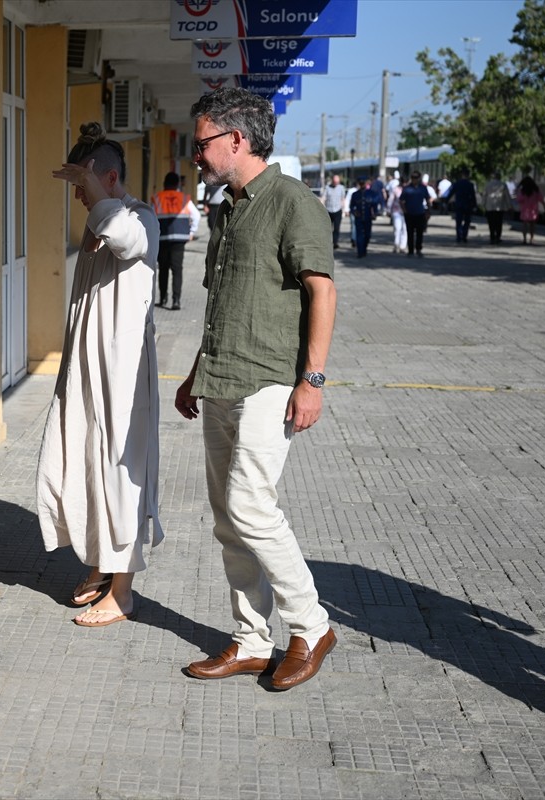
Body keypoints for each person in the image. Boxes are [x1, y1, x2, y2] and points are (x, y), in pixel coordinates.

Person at [176, 88, 338, 691]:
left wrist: (312, 380)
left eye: (201, 143)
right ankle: (251, 639)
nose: (195, 154)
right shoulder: (226, 209)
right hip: (221, 377)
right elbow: (224, 302)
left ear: (237, 140)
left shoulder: (293, 202)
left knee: (250, 505)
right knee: (228, 518)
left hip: (270, 380)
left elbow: (322, 291)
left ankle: (311, 626)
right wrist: (196, 371)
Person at [37, 121, 163, 628]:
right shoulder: (100, 223)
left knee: (119, 474)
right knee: (85, 465)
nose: (78, 198)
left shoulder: (140, 218)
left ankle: (123, 591)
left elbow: (129, 242)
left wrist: (95, 191)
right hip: (86, 373)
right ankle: (99, 563)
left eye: (83, 187)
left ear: (108, 178)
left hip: (122, 379)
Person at [150, 171, 200, 309]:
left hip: (162, 238)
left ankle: (163, 298)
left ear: (164, 184)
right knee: (177, 269)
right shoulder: (184, 198)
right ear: (178, 184)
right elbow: (196, 215)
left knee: (163, 269)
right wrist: (192, 232)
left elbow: (151, 218)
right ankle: (176, 300)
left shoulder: (157, 198)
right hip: (179, 239)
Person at [400, 171, 431, 257]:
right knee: (410, 232)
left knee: (419, 232)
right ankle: (410, 250)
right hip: (409, 213)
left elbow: (427, 199)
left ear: (419, 178)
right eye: (413, 177)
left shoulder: (423, 188)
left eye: (416, 177)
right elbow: (401, 200)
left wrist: (428, 211)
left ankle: (418, 249)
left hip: (420, 213)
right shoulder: (407, 188)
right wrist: (404, 210)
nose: (414, 179)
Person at [348, 175, 379, 258]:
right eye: (360, 183)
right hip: (359, 218)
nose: (362, 185)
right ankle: (360, 252)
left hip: (368, 217)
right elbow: (352, 206)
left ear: (366, 183)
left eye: (363, 183)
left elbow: (374, 205)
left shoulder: (371, 193)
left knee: (367, 235)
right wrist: (354, 212)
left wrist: (375, 213)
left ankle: (364, 248)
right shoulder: (355, 194)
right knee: (359, 235)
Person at [482, 172, 512, 245]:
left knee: (491, 223)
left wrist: (483, 204)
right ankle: (498, 237)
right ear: (499, 177)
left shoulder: (488, 184)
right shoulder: (503, 185)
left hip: (489, 207)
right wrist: (509, 206)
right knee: (499, 222)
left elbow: (485, 195)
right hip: (499, 207)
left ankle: (492, 237)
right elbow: (507, 196)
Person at [515, 175, 545, 245]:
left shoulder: (523, 191)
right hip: (533, 210)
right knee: (532, 225)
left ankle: (524, 239)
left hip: (525, 210)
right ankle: (531, 239)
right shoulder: (536, 190)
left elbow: (519, 199)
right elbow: (541, 199)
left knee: (524, 225)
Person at [449, 169, 477, 243]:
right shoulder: (470, 185)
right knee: (467, 221)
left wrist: (446, 201)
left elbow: (451, 192)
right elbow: (473, 196)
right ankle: (464, 236)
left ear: (462, 175)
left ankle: (459, 236)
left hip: (459, 204)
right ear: (468, 175)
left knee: (458, 221)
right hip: (467, 205)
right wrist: (474, 205)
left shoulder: (457, 183)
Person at [321, 174, 347, 250]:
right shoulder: (327, 187)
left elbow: (343, 199)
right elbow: (323, 198)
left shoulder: (341, 188)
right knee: (328, 228)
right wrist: (321, 208)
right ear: (332, 181)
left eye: (337, 182)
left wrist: (344, 210)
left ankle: (335, 243)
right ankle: (328, 242)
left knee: (336, 228)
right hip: (328, 210)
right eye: (335, 182)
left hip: (338, 210)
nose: (336, 183)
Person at [387, 178, 407, 254]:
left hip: (406, 212)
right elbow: (391, 199)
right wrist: (389, 210)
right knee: (397, 228)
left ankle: (402, 246)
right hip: (396, 211)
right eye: (403, 182)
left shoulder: (408, 190)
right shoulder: (396, 190)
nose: (404, 184)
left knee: (405, 229)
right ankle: (396, 244)